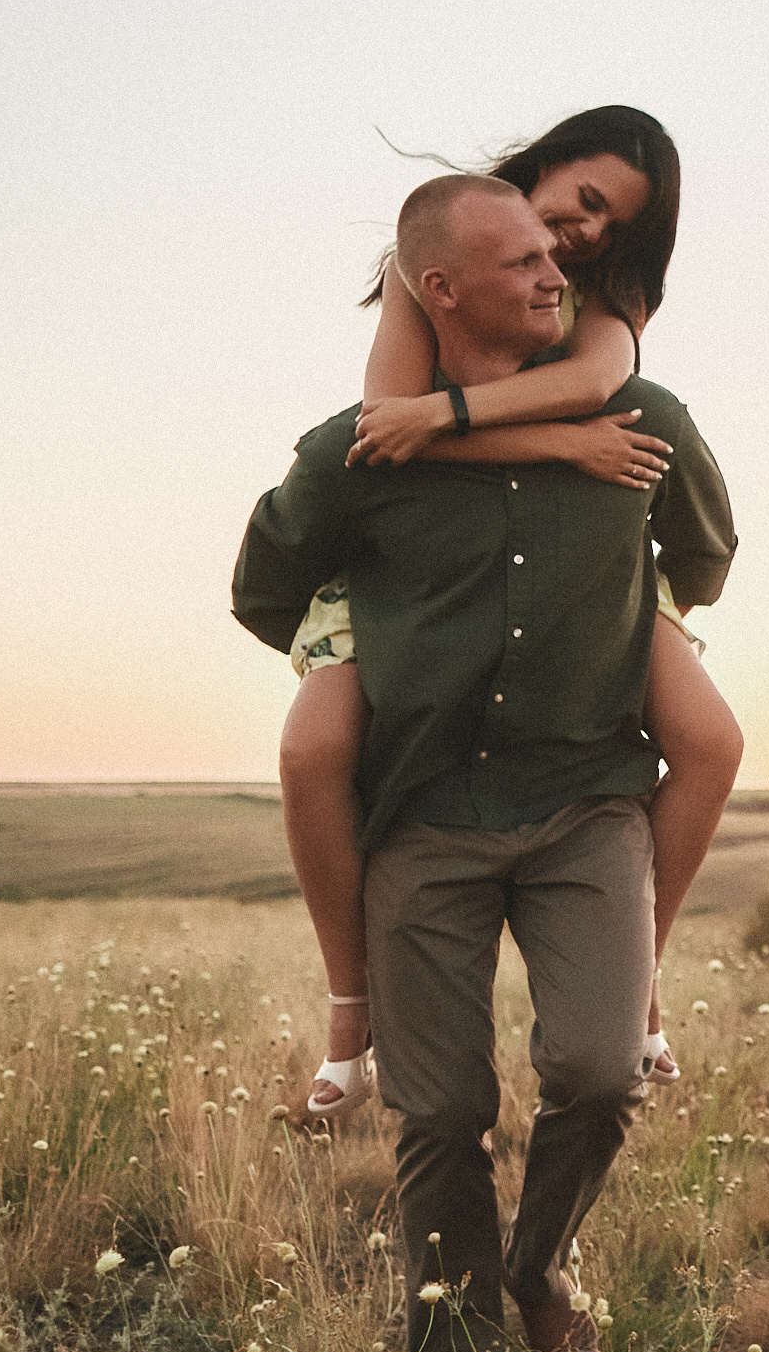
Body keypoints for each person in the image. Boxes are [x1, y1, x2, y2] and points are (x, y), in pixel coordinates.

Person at [233, 172, 736, 1352]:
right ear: (440, 289)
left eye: (550, 252)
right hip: (425, 808)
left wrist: (635, 620)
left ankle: (540, 1262)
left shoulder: (642, 414)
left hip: (589, 800)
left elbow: (706, 555)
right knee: (440, 1106)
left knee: (598, 1069)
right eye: (518, 261)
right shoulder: (358, 451)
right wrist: (358, 650)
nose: (555, 270)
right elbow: (261, 585)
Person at [280, 106, 742, 1117]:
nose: (582, 233)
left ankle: (638, 971)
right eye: (579, 197)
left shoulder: (600, 299)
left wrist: (544, 448)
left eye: (609, 222)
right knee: (314, 750)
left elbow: (591, 386)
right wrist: (553, 446)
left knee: (709, 738)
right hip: (428, 544)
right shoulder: (428, 258)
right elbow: (388, 432)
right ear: (538, 167)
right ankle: (348, 1003)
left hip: (587, 544)